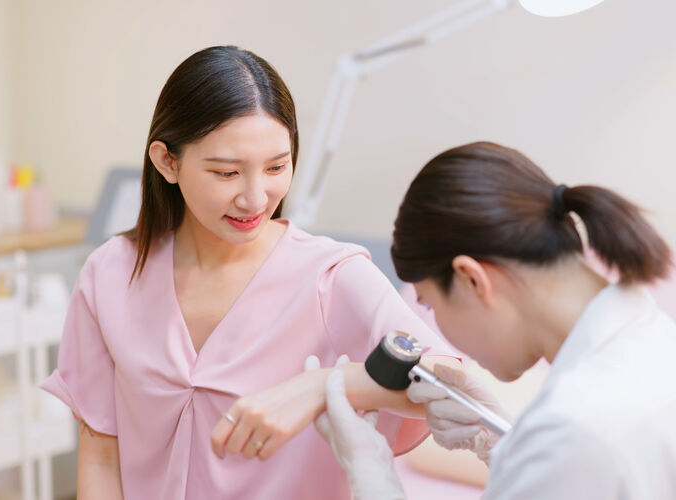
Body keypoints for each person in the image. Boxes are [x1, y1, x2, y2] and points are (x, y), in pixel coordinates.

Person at [40, 45, 455, 500]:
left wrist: (324, 386)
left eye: (277, 166)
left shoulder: (331, 276)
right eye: (227, 173)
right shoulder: (110, 274)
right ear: (167, 162)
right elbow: (101, 455)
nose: (256, 198)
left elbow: (450, 386)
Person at [314, 141, 676, 499]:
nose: (437, 325)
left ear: (472, 279)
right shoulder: (651, 338)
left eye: (430, 305)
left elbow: (574, 451)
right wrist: (509, 445)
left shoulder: (576, 427)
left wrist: (369, 471)